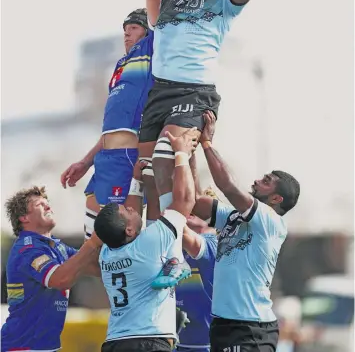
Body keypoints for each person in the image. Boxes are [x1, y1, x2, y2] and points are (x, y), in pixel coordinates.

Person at [137, 0, 256, 287]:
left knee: (175, 151)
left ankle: (173, 255)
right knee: (149, 174)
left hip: (196, 90)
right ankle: (173, 245)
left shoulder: (225, 2)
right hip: (161, 90)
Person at [60, 0, 161, 239]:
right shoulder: (120, 67)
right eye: (125, 29)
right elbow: (110, 127)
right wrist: (86, 161)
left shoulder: (154, 48)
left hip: (129, 157)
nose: (127, 34)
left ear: (146, 30)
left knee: (121, 237)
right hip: (105, 158)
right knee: (94, 241)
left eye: (133, 28)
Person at [192, 111, 301, 352]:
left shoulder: (269, 220)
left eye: (266, 180)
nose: (256, 181)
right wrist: (187, 151)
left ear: (276, 198)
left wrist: (206, 143)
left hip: (251, 329)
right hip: (223, 325)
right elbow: (194, 201)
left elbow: (228, 186)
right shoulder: (233, 216)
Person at [94, 127, 197, 352]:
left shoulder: (107, 253)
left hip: (115, 342)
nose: (133, 209)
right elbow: (186, 200)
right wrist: (182, 154)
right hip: (147, 342)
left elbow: (133, 216)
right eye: (128, 212)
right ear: (129, 230)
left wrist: (137, 182)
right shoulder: (145, 245)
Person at [1, 186, 102, 352]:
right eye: (40, 205)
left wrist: (111, 238)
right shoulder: (27, 249)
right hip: (22, 347)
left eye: (47, 203)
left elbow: (94, 266)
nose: (48, 207)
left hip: (43, 347)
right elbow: (60, 279)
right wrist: (92, 242)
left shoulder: (56, 246)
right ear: (24, 217)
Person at [174, 201, 218, 352]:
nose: (191, 211)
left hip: (205, 345)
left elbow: (175, 221)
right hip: (174, 343)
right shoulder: (173, 246)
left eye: (199, 210)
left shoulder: (213, 244)